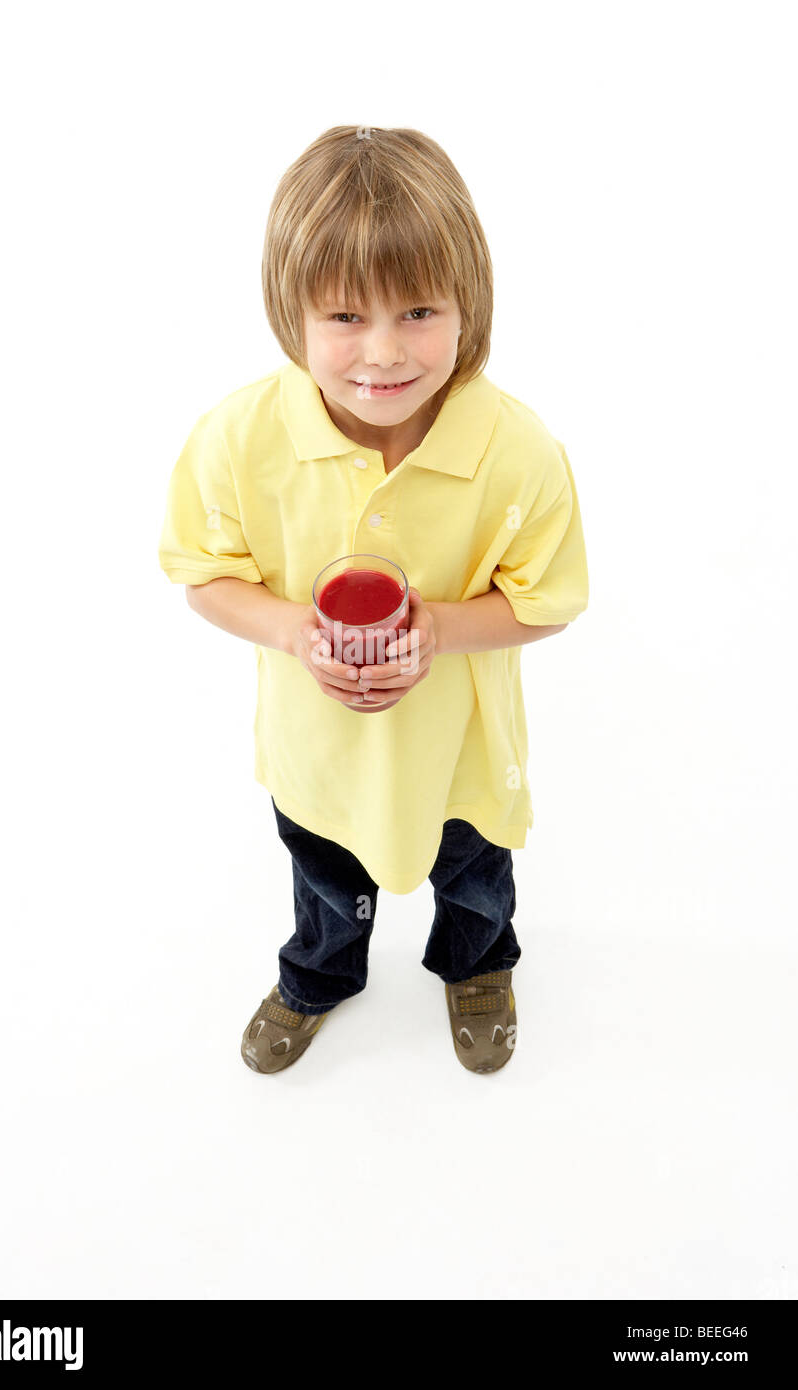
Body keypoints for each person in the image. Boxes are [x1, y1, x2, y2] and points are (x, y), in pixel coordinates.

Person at [158, 125, 589, 1076]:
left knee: (475, 880)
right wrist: (286, 628)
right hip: (317, 749)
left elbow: (549, 600)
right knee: (324, 880)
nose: (384, 354)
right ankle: (320, 974)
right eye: (345, 317)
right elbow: (201, 571)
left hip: (461, 755)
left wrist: (441, 628)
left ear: (469, 303)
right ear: (289, 312)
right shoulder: (239, 438)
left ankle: (478, 967)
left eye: (420, 311)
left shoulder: (516, 450)